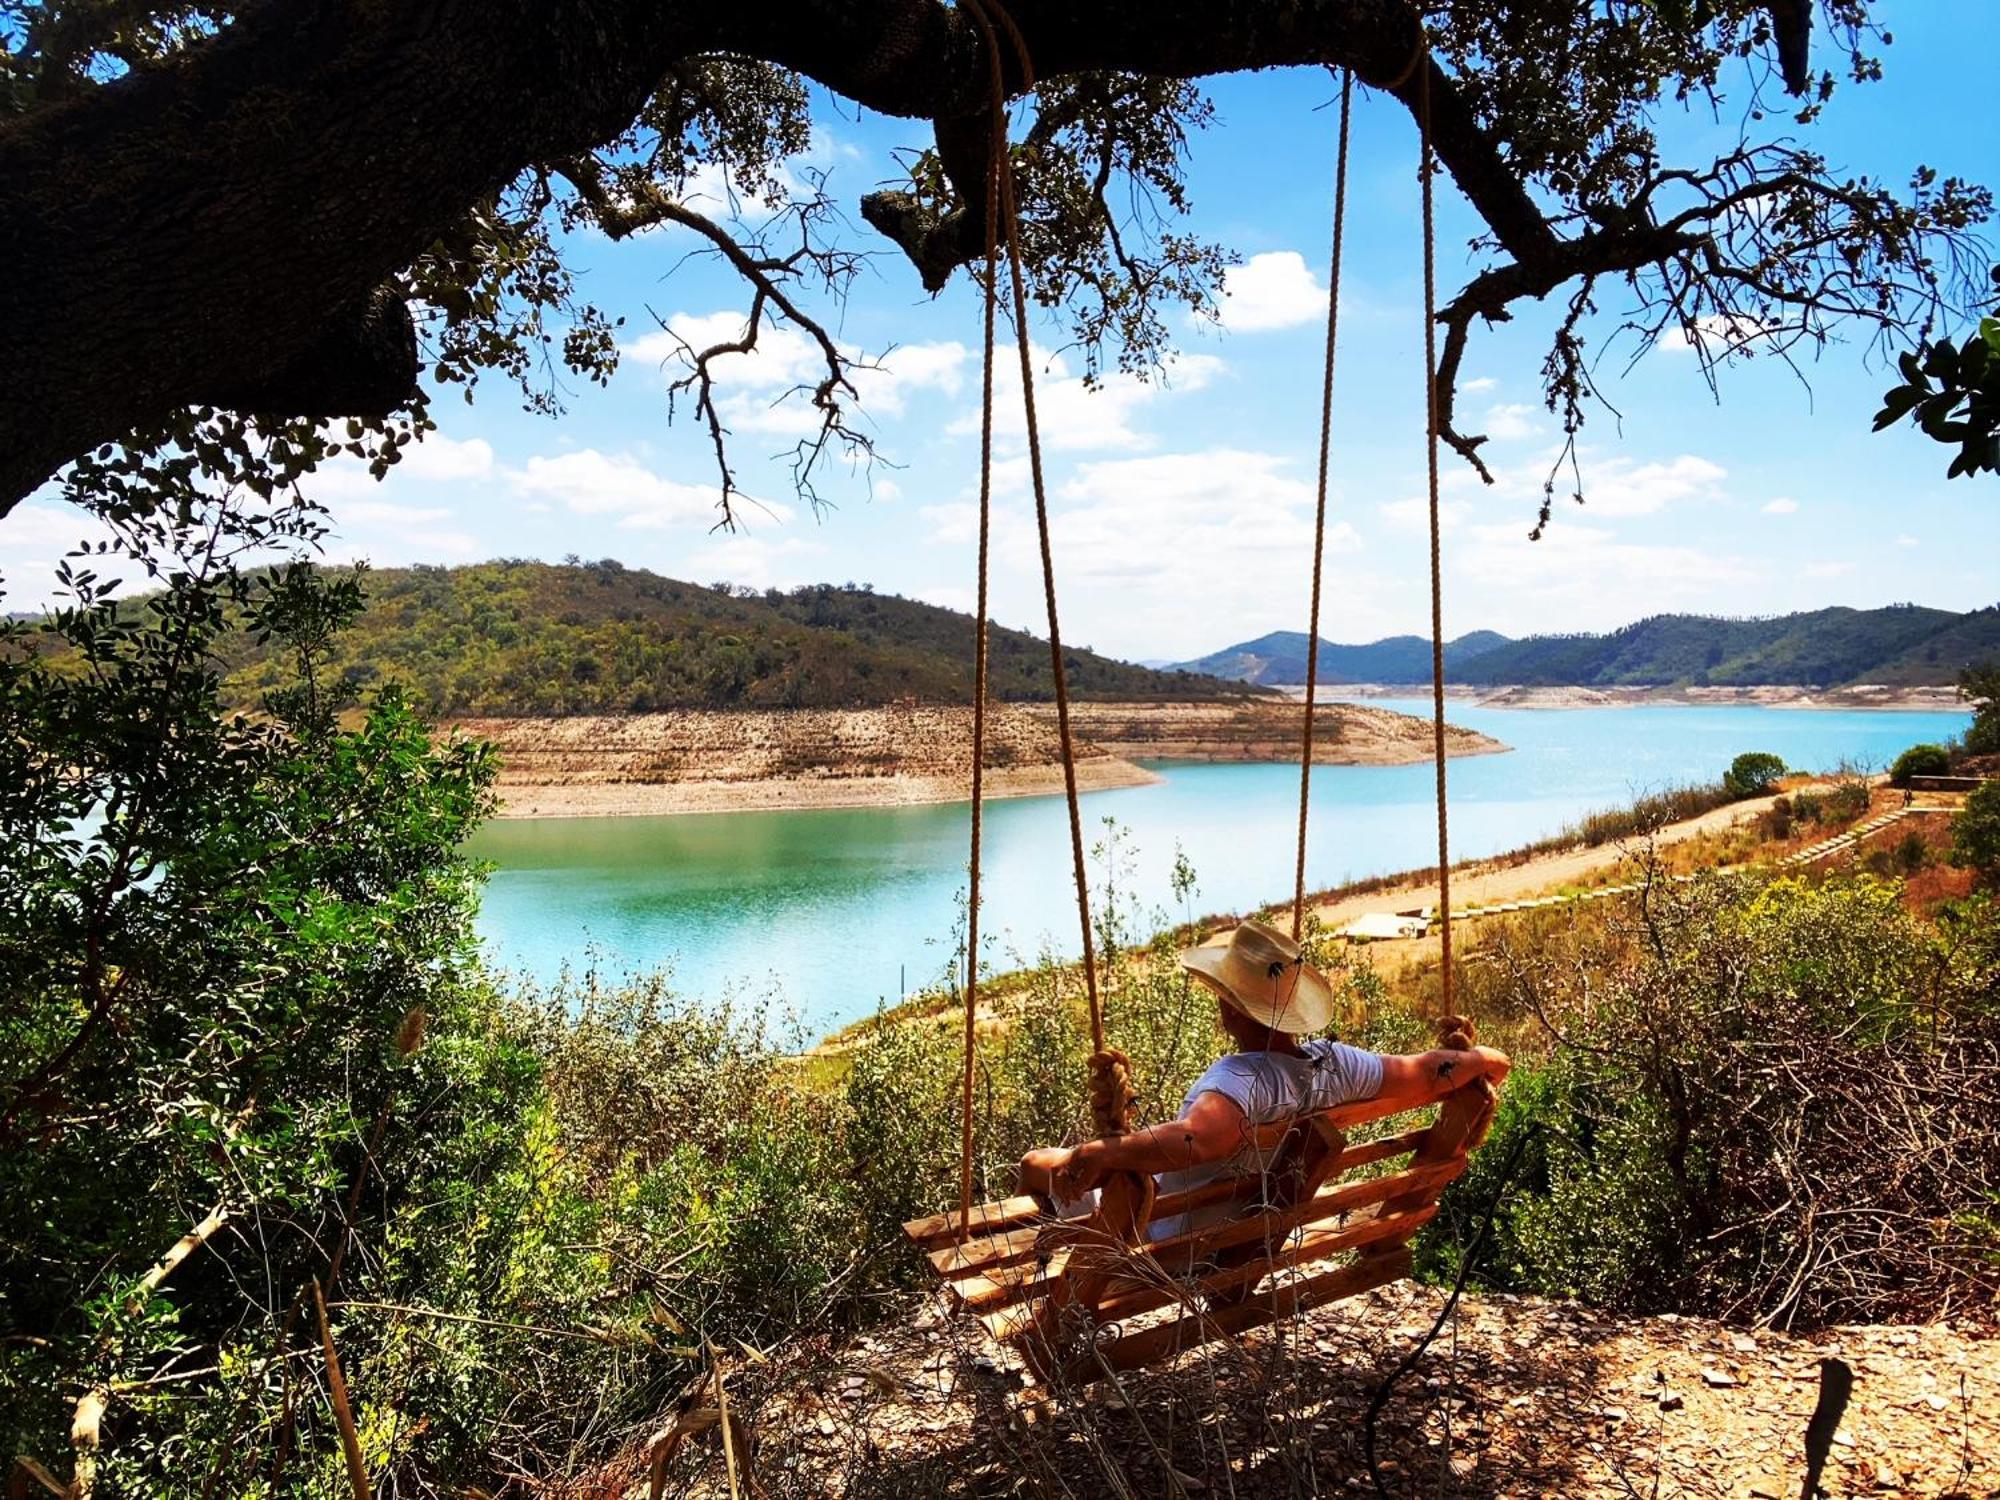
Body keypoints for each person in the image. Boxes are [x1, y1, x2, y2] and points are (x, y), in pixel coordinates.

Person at [1016, 918, 1510, 1239]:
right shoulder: (1336, 1064)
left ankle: (1058, 1241)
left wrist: (1106, 1151)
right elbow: (1426, 1072)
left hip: (1169, 1233)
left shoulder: (1238, 1079)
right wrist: (1483, 1056)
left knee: (1035, 1163)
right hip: (1249, 1229)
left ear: (1232, 1010)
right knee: (1067, 1166)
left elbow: (1201, 1138)